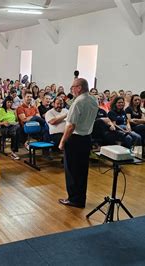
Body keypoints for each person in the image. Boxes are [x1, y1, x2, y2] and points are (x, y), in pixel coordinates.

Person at [58, 78, 98, 208]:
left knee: (72, 171)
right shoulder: (93, 100)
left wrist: (62, 142)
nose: (72, 90)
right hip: (86, 138)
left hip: (75, 139)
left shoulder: (78, 102)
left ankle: (74, 199)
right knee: (82, 171)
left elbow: (70, 126)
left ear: (79, 88)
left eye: (73, 87)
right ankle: (81, 198)